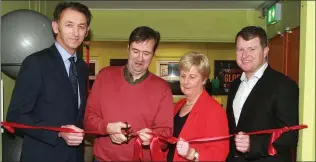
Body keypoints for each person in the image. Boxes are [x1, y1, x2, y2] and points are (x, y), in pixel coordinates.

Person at [6, 2, 91, 162]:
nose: (75, 32)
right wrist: (58, 132)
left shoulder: (82, 68)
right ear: (55, 27)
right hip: (42, 155)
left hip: (75, 156)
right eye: (69, 25)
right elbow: (15, 116)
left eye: (81, 26)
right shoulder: (36, 63)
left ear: (86, 31)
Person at [83, 26, 174, 161]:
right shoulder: (105, 76)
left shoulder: (163, 88)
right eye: (135, 51)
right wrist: (107, 128)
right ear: (128, 49)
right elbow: (88, 119)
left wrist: (152, 137)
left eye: (146, 53)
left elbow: (165, 134)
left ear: (154, 54)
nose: (140, 58)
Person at [226, 26, 299, 162]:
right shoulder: (235, 85)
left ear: (265, 51)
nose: (244, 55)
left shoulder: (283, 85)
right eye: (240, 49)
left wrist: (252, 145)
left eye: (251, 49)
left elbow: (290, 136)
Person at [166, 52, 229, 161]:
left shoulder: (214, 110)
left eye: (192, 77)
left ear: (204, 79)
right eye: (183, 76)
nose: (186, 82)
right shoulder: (179, 105)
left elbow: (220, 153)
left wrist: (192, 154)